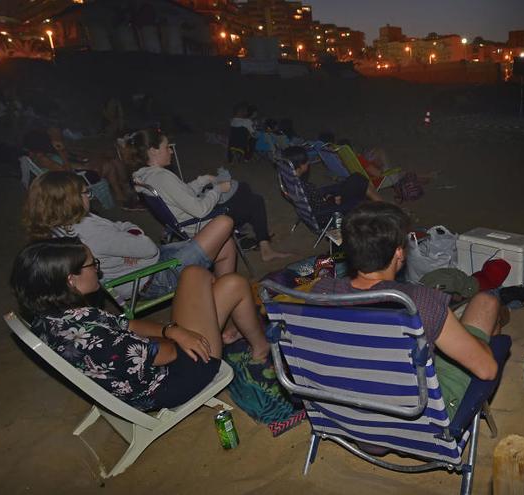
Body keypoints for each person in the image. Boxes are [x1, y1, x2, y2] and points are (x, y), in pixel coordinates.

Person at [9, 238, 274, 411]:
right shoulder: (94, 340)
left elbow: (127, 324)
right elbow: (167, 352)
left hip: (161, 360)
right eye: (92, 265)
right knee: (216, 279)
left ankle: (241, 337)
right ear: (71, 279)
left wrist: (172, 329)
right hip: (177, 377)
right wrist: (179, 335)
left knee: (214, 279)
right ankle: (256, 345)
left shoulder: (58, 317)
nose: (97, 270)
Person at [310, 202, 501, 420]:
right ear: (399, 253)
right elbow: (487, 371)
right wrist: (481, 343)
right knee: (487, 302)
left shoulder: (321, 292)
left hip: (347, 413)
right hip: (415, 420)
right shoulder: (419, 303)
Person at [22, 171, 238, 305]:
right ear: (69, 200)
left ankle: (222, 300)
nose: (89, 196)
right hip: (151, 278)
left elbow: (122, 226)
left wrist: (129, 237)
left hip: (144, 266)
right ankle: (222, 300)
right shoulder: (90, 231)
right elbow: (148, 247)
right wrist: (132, 237)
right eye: (85, 193)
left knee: (225, 244)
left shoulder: (64, 227)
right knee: (224, 222)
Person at [129, 128, 292, 262]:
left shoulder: (146, 176)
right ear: (153, 151)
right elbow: (200, 210)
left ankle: (262, 243)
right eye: (166, 147)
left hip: (186, 223)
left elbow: (180, 195)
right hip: (201, 223)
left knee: (246, 193)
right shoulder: (162, 178)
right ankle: (264, 246)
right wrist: (218, 189)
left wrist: (204, 180)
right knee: (250, 196)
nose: (171, 151)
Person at [22, 128, 136, 209]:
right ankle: (122, 195)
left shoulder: (41, 155)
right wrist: (62, 153)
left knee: (110, 159)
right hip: (78, 178)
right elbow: (66, 174)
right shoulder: (43, 159)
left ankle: (123, 192)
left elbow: (69, 160)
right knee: (109, 163)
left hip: (79, 169)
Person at [284, 145, 371, 210]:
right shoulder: (304, 187)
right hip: (331, 210)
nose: (308, 163)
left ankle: (380, 204)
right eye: (306, 161)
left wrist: (327, 197)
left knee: (355, 179)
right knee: (359, 181)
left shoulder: (290, 182)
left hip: (324, 201)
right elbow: (321, 205)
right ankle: (381, 207)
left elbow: (315, 199)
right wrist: (332, 199)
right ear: (300, 166)